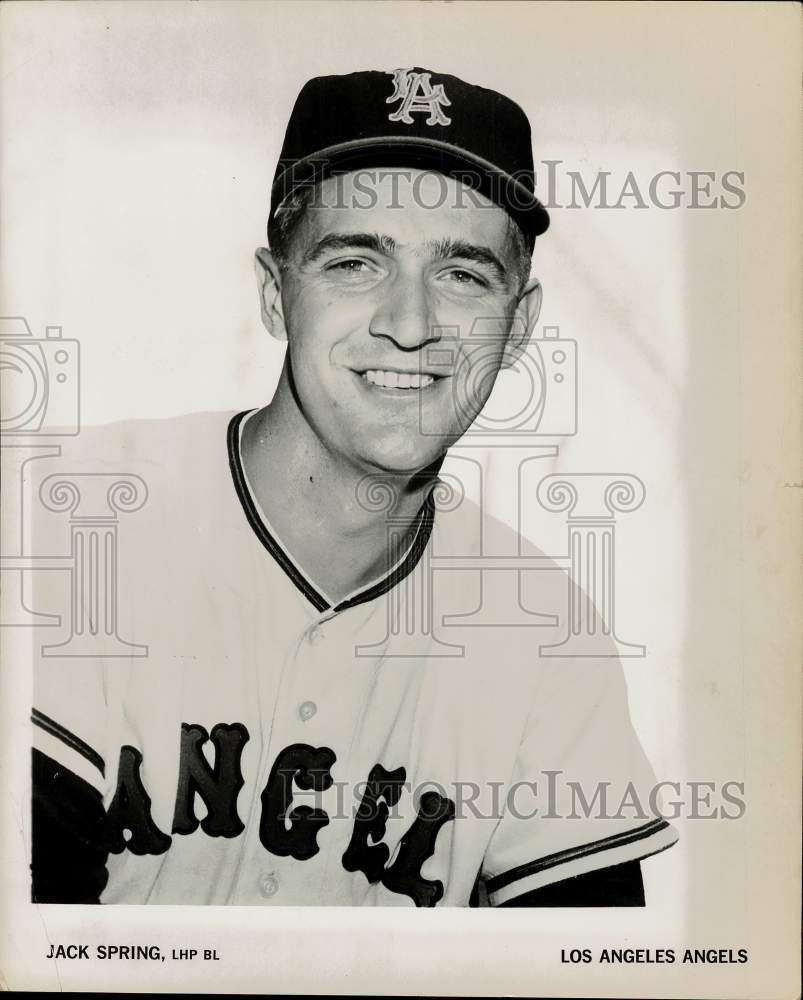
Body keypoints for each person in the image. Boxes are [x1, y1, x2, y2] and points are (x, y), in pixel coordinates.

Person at [31, 67, 677, 906]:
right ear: (274, 295)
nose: (408, 325)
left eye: (462, 275)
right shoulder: (84, 515)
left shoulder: (544, 638)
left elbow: (586, 969)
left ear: (519, 324)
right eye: (354, 263)